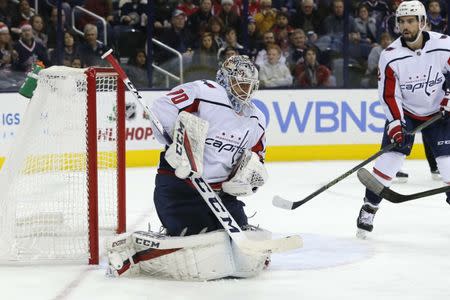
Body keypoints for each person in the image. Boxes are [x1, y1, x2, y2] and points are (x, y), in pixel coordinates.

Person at [105, 55, 274, 280]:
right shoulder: (205, 92)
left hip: (220, 195)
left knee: (236, 238)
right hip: (180, 187)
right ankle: (133, 254)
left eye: (249, 86)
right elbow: (163, 107)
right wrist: (177, 142)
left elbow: (257, 156)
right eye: (240, 83)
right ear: (224, 79)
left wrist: (247, 178)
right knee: (199, 242)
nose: (245, 91)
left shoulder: (256, 119)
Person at [356, 1, 450, 239]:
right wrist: (396, 123)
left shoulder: (444, 45)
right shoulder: (390, 56)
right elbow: (389, 94)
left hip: (439, 114)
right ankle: (369, 208)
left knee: (449, 169)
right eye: (402, 21)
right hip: (406, 113)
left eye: (411, 21)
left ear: (422, 22)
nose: (405, 26)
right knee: (388, 164)